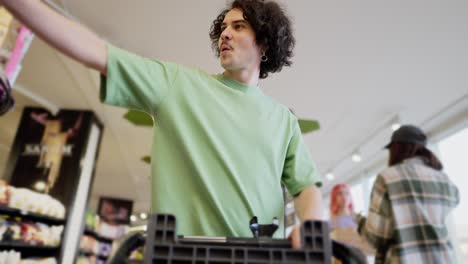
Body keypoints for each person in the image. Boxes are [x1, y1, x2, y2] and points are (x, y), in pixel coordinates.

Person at [1, 0, 324, 247]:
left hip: (260, 255)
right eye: (224, 27)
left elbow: (305, 186)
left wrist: (310, 225)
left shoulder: (284, 120)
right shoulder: (177, 84)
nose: (226, 33)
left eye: (239, 26)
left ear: (264, 44)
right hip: (180, 253)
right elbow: (95, 52)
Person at [356, 125, 459, 263]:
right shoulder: (443, 179)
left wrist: (359, 221)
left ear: (396, 148)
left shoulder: (387, 177)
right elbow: (454, 200)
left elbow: (376, 237)